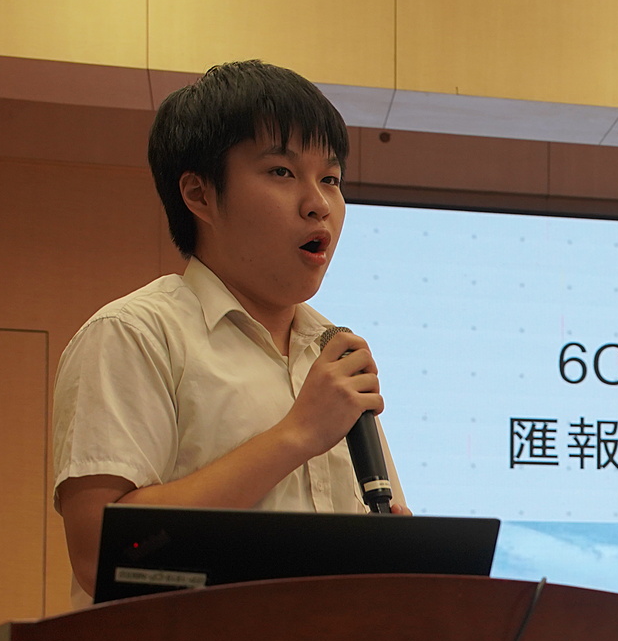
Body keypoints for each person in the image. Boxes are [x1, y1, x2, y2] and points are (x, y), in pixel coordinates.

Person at [53, 61, 408, 602]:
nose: (318, 204)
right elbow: (100, 554)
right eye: (282, 172)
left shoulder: (333, 352)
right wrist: (296, 436)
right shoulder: (134, 334)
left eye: (331, 179)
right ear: (199, 195)